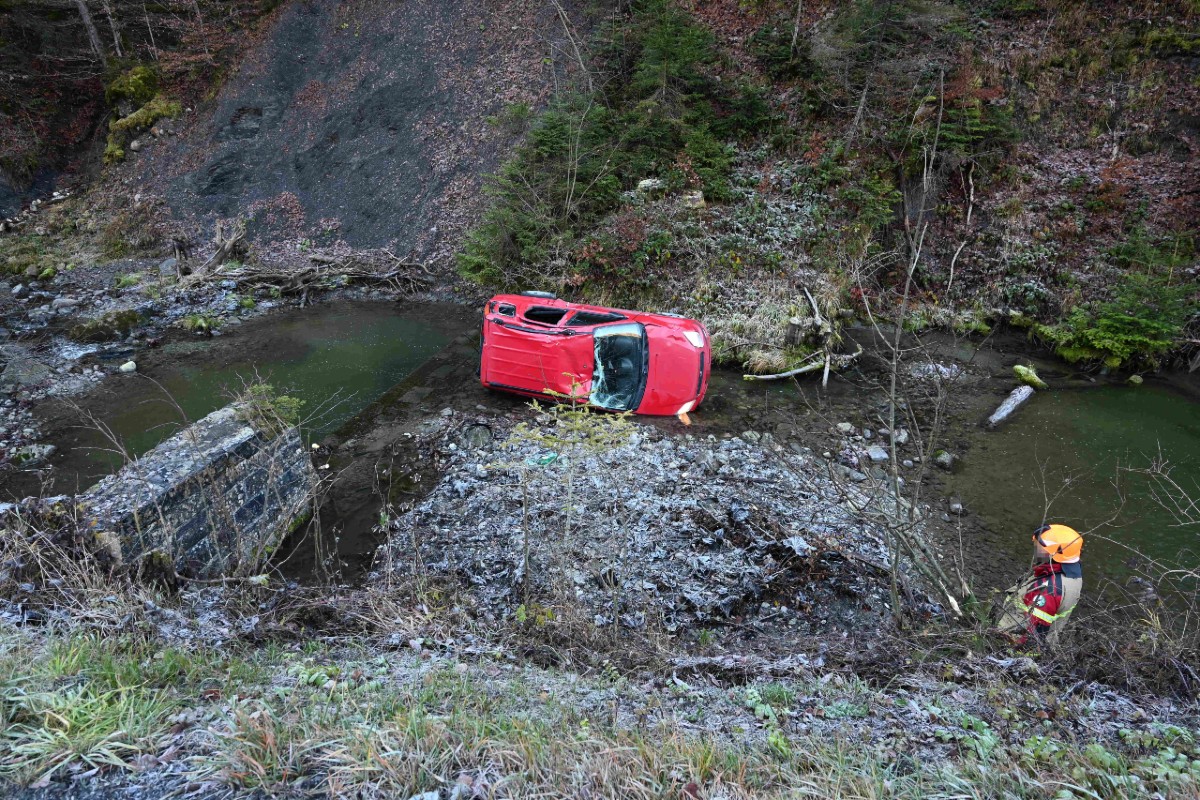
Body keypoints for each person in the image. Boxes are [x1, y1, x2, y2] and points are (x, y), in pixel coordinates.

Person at [998, 524, 1083, 647]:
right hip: (1044, 640)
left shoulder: (1048, 591)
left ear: (1057, 553)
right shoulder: (1071, 572)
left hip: (1011, 644)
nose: (1036, 550)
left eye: (1040, 548)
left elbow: (1033, 636)